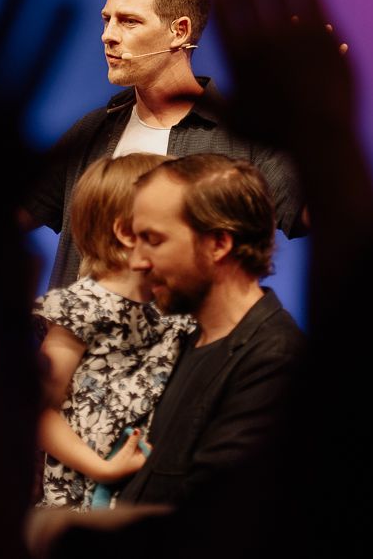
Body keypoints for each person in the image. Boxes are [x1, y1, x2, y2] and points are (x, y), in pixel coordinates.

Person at [0, 0, 303, 290]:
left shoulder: (242, 138)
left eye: (129, 21)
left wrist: (322, 130)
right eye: (107, 19)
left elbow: (307, 216)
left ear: (179, 31)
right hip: (78, 364)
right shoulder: (93, 133)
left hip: (191, 367)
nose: (108, 35)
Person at [115, 154, 303, 508]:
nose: (136, 262)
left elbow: (211, 518)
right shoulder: (193, 339)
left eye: (152, 239)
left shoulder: (273, 359)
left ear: (218, 244)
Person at [34, 153, 193, 511]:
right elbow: (41, 411)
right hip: (83, 497)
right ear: (127, 232)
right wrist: (101, 468)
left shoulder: (173, 306)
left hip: (148, 488)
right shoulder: (83, 307)